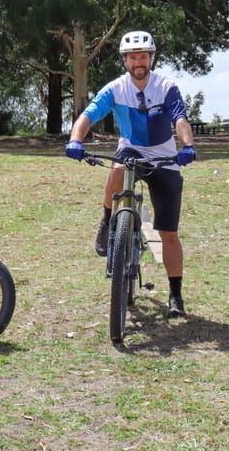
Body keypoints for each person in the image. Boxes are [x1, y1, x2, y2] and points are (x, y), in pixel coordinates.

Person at [65, 30, 196, 318]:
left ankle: (176, 294)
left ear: (151, 58)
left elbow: (181, 119)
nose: (138, 62)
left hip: (164, 155)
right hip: (131, 150)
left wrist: (187, 145)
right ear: (125, 60)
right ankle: (106, 220)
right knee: (118, 167)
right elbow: (88, 115)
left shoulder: (167, 86)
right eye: (133, 57)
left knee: (169, 233)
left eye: (143, 57)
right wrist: (76, 140)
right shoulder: (115, 88)